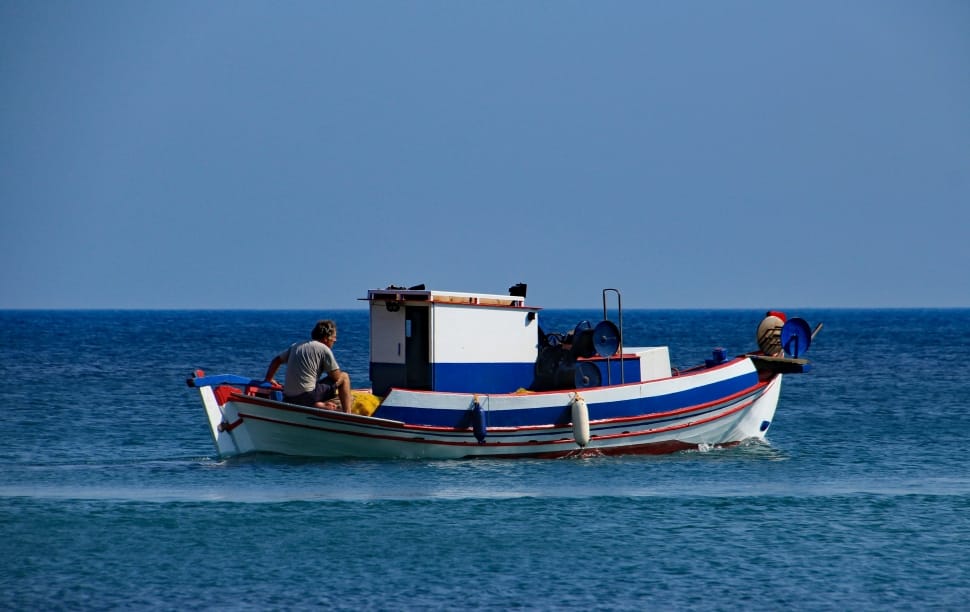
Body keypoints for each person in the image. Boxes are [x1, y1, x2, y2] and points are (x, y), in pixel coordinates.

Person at [264, 319, 352, 412]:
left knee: (313, 385)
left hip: (288, 397)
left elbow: (276, 361)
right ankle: (348, 414)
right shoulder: (324, 349)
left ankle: (318, 405)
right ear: (326, 338)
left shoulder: (296, 346)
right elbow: (336, 377)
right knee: (344, 377)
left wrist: (269, 379)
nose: (335, 341)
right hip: (307, 396)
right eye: (334, 338)